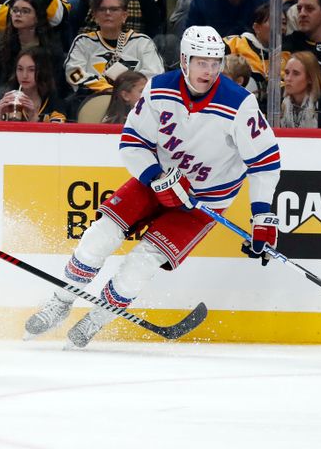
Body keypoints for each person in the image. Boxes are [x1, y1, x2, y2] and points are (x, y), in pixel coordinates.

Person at [23, 25, 281, 348]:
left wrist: (261, 217)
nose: (210, 70)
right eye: (202, 62)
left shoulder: (239, 104)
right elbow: (132, 142)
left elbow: (265, 162)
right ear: (185, 60)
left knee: (142, 262)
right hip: (154, 182)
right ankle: (60, 301)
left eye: (215, 63)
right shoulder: (159, 89)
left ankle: (96, 320)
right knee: (99, 236)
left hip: (202, 201)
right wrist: (156, 179)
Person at [65, 0, 164, 110]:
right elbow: (73, 73)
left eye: (113, 9)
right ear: (95, 16)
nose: (107, 13)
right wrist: (104, 88)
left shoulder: (142, 42)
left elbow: (155, 75)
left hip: (134, 106)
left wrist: (126, 92)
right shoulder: (83, 42)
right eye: (102, 9)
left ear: (124, 15)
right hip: (93, 102)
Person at [0, 0, 67, 98]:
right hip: (7, 99)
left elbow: (56, 86)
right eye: (15, 10)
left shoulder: (51, 48)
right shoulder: (1, 45)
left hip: (45, 102)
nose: (18, 14)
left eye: (25, 11)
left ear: (37, 17)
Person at [0, 47, 68, 122]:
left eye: (31, 70)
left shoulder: (55, 103)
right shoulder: (4, 100)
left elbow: (56, 133)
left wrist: (34, 118)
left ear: (42, 72)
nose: (24, 76)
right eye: (20, 69)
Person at [280, 51, 321, 129]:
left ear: (310, 78)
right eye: (287, 73)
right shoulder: (280, 103)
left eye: (296, 73)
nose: (288, 78)